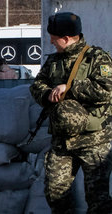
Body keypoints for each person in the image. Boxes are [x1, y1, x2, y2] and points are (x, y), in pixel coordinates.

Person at [30, 12, 112, 213]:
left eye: (54, 39)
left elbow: (107, 90)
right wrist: (48, 93)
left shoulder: (97, 58)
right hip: (62, 141)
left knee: (97, 198)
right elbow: (37, 85)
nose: (51, 42)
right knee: (55, 192)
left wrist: (70, 87)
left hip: (94, 140)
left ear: (66, 39)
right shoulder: (54, 61)